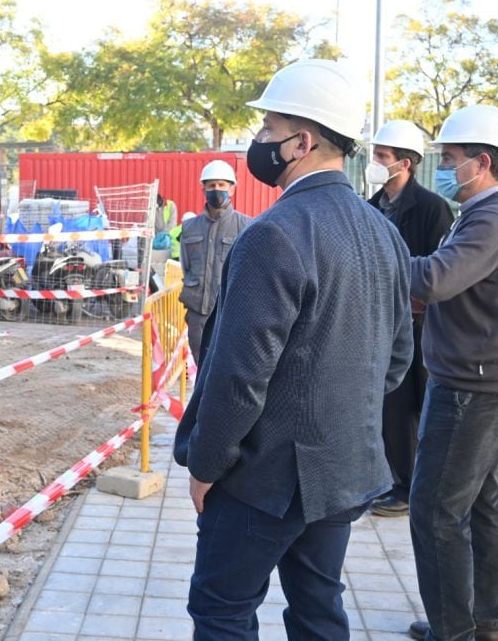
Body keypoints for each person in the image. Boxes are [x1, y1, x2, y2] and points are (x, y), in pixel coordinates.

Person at [173, 59, 413, 641]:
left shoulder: (273, 233)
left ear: (300, 143)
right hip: (340, 469)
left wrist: (206, 465)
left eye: (266, 130)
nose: (256, 143)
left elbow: (237, 379)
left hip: (264, 478)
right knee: (317, 609)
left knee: (223, 611)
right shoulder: (383, 231)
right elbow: (396, 358)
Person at [406, 105, 498, 641]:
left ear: (481, 162)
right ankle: (483, 620)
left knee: (435, 510)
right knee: (481, 502)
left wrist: (370, 254)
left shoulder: (491, 219)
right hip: (486, 379)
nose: (443, 168)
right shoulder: (489, 216)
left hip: (472, 387)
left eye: (449, 159)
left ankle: (453, 630)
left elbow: (434, 279)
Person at [365, 121, 454, 518]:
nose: (375, 163)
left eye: (382, 157)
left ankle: (405, 487)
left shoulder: (432, 209)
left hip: (416, 327)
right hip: (376, 323)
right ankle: (385, 479)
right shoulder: (370, 207)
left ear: (405, 163)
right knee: (381, 405)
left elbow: (439, 271)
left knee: (406, 407)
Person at [178, 159, 251, 364]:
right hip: (198, 316)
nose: (216, 190)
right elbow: (186, 267)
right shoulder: (189, 227)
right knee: (202, 371)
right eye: (211, 185)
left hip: (231, 317)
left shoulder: (247, 226)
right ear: (203, 188)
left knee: (226, 374)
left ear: (232, 189)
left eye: (221, 185)